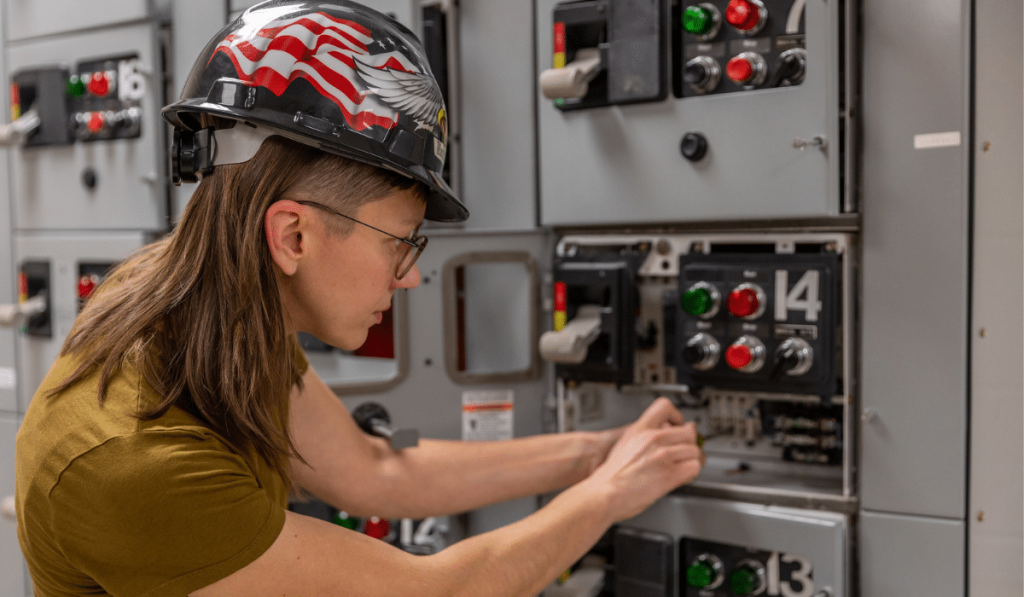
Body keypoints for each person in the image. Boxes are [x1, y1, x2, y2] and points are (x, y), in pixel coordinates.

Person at [14, 2, 704, 596]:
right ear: (293, 235)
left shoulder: (201, 310)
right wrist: (608, 495)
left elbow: (374, 470)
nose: (409, 276)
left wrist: (597, 451)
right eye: (400, 240)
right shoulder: (134, 462)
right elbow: (435, 592)